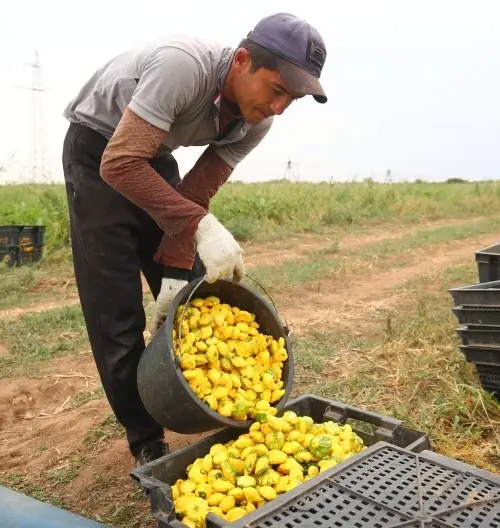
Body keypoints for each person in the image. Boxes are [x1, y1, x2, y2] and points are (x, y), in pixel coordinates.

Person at [60, 12, 328, 466]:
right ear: (242, 61)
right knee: (116, 316)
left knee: (196, 294)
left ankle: (227, 404)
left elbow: (195, 193)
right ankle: (146, 440)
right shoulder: (183, 67)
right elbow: (119, 164)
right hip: (98, 152)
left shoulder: (255, 120)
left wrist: (175, 270)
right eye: (277, 90)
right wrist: (200, 227)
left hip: (152, 154)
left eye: (293, 98)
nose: (279, 107)